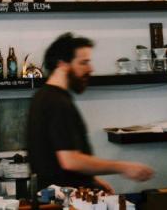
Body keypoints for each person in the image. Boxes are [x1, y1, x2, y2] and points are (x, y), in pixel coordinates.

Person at [27, 33, 154, 193]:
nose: (91, 69)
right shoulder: (57, 102)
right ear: (62, 64)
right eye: (83, 63)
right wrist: (124, 167)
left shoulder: (43, 96)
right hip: (66, 200)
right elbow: (70, 161)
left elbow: (54, 160)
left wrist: (91, 179)